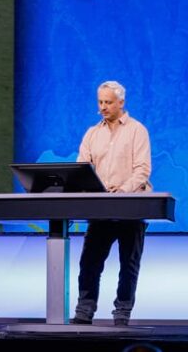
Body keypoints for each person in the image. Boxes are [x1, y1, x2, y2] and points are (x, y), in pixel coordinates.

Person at [70, 81, 152, 327]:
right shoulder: (92, 134)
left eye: (108, 102)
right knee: (89, 263)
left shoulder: (137, 130)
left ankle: (122, 315)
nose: (103, 107)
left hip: (131, 208)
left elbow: (142, 170)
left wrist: (124, 189)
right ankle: (84, 312)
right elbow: (81, 168)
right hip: (101, 209)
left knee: (129, 264)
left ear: (121, 103)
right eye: (100, 102)